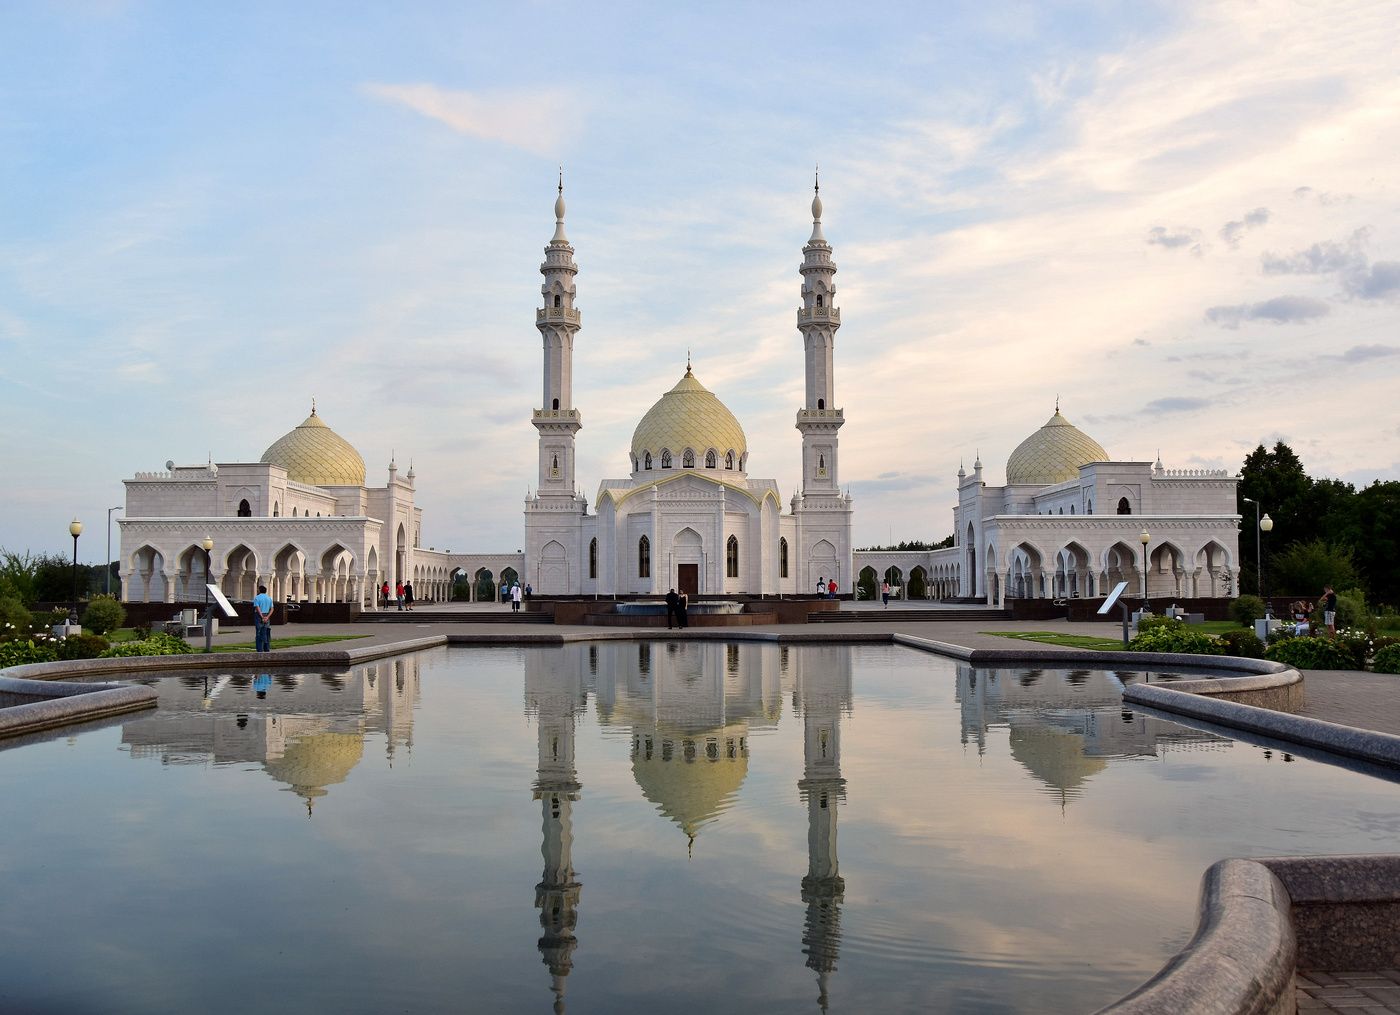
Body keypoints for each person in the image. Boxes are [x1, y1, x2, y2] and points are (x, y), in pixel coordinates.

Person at [253, 584, 274, 653]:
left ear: (259, 590)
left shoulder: (257, 598)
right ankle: (266, 648)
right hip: (267, 615)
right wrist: (267, 617)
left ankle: (259, 649)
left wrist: (262, 616)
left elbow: (257, 607)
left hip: (259, 615)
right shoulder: (269, 598)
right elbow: (272, 609)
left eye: (258, 589)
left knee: (259, 632)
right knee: (266, 632)